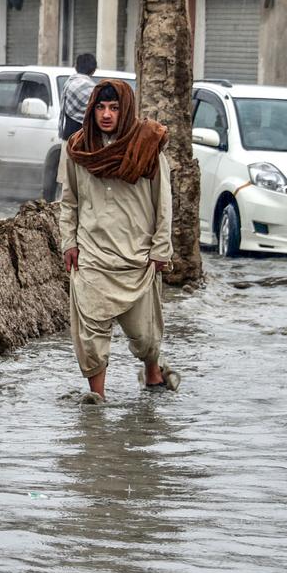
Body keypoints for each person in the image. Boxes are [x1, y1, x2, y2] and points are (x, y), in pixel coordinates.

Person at [58, 79, 177, 404]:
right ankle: (97, 398)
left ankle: (153, 373)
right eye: (100, 107)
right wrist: (69, 241)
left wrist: (160, 248)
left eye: (114, 108)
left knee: (145, 335)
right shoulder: (78, 149)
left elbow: (162, 202)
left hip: (137, 258)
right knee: (91, 337)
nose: (107, 114)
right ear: (91, 110)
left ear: (126, 110)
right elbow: (68, 202)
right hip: (92, 257)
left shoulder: (148, 146)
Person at [59, 53, 98, 140]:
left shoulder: (69, 84)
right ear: (94, 70)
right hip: (88, 138)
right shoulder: (95, 89)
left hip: (69, 136)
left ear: (76, 67)